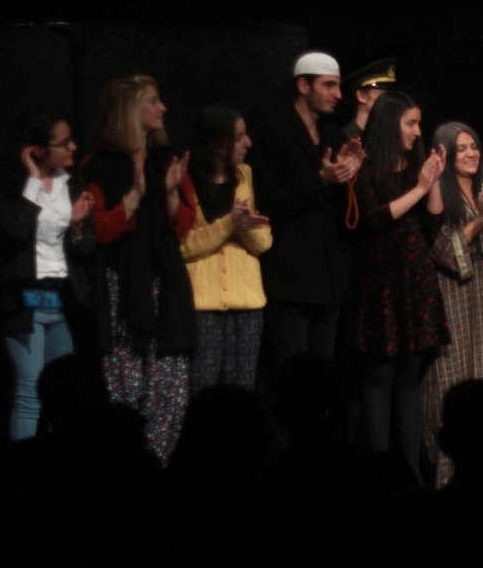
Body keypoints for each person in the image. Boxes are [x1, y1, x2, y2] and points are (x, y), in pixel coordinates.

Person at [83, 74, 196, 462]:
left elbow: (183, 227)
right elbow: (99, 231)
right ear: (129, 109)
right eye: (153, 100)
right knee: (126, 384)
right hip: (121, 286)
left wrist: (170, 193)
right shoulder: (98, 166)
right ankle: (126, 465)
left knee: (170, 388)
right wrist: (133, 195)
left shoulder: (169, 159)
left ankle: (159, 464)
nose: (163, 108)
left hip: (165, 285)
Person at [344, 91, 449, 483]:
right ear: (391, 124)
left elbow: (432, 224)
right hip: (381, 282)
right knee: (380, 375)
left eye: (418, 123)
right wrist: (420, 188)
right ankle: (380, 475)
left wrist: (433, 180)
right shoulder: (366, 166)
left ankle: (412, 472)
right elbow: (372, 218)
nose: (417, 131)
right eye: (410, 123)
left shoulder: (415, 168)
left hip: (415, 279)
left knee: (409, 377)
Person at [252, 51, 362, 406]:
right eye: (329, 85)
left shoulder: (332, 133)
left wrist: (350, 178)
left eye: (338, 86)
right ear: (303, 85)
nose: (338, 94)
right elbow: (269, 201)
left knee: (323, 377)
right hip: (289, 277)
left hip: (328, 279)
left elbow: (344, 210)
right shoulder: (272, 131)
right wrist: (321, 180)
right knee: (293, 377)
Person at [0, 112, 95, 439]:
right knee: (29, 393)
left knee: (64, 395)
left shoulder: (71, 183)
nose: (73, 147)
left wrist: (77, 227)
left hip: (62, 299)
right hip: (26, 301)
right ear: (37, 150)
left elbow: (85, 247)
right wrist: (34, 180)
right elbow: (17, 231)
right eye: (64, 143)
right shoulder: (10, 183)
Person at [422, 121, 483, 487]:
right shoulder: (440, 194)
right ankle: (448, 481)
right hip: (451, 297)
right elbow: (443, 249)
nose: (471, 153)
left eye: (474, 146)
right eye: (462, 148)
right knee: (451, 383)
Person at [178, 106, 273, 395]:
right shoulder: (186, 181)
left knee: (241, 393)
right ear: (218, 143)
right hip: (202, 305)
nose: (248, 143)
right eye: (239, 137)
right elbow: (182, 247)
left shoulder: (245, 176)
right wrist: (229, 225)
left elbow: (263, 243)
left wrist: (244, 226)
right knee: (203, 391)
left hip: (248, 304)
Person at [343, 57, 398, 141]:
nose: (388, 96)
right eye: (382, 89)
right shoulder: (344, 139)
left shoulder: (388, 138)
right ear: (361, 96)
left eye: (389, 90)